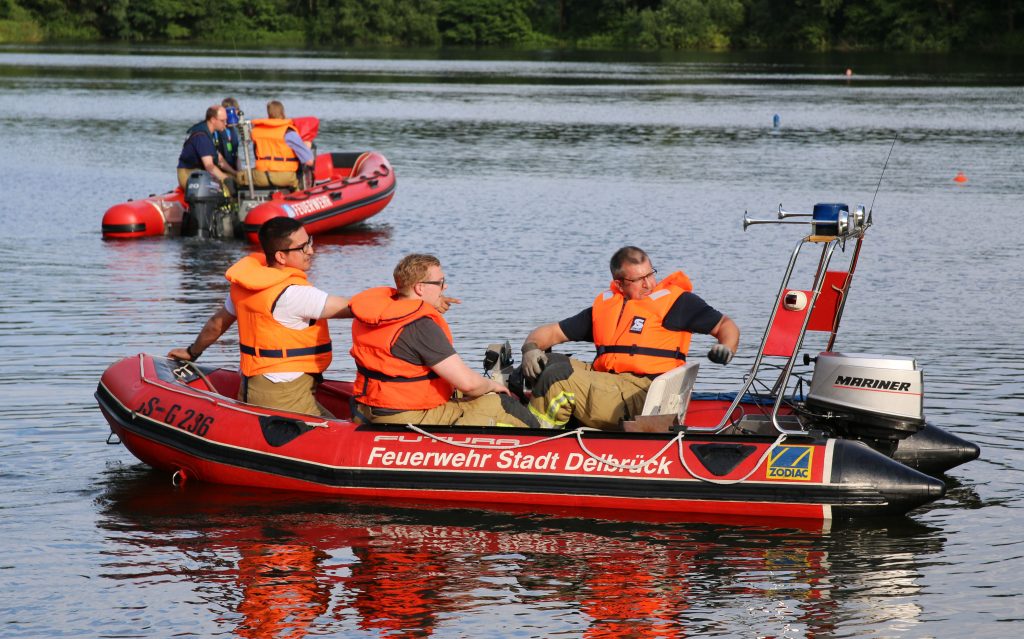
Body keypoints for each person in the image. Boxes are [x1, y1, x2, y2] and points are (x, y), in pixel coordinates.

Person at [520, 246, 739, 431]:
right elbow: (551, 333)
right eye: (639, 279)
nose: (649, 284)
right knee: (548, 364)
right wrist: (530, 348)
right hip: (611, 382)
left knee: (558, 379)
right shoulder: (607, 307)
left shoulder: (677, 303)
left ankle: (534, 443)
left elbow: (725, 326)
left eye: (650, 274)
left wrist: (726, 348)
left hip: (645, 395)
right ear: (619, 283)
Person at [168, 217, 352, 417]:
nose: (311, 251)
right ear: (281, 256)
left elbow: (216, 324)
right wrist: (389, 298)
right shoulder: (295, 294)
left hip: (252, 386)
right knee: (346, 440)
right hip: (285, 395)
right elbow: (354, 308)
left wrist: (192, 352)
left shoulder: (246, 286)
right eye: (303, 247)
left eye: (310, 241)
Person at [349, 254, 540, 428]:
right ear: (420, 288)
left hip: (370, 407)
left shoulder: (372, 316)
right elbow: (468, 384)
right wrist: (492, 386)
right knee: (500, 403)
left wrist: (429, 303)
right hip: (406, 415)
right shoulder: (420, 326)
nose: (445, 286)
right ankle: (548, 447)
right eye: (440, 282)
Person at [241, 99, 314, 189]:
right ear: (283, 113)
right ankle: (298, 194)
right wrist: (307, 145)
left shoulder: (256, 132)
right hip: (285, 177)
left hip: (261, 176)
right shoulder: (288, 132)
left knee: (241, 175)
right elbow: (309, 162)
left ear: (268, 114)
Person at [177, 105, 239, 189]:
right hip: (189, 174)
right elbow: (209, 166)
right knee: (228, 184)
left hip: (201, 172)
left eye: (226, 120)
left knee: (234, 179)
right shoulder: (202, 136)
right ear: (213, 120)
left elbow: (220, 160)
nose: (225, 123)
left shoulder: (211, 132)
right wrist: (226, 179)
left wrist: (235, 173)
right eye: (222, 121)